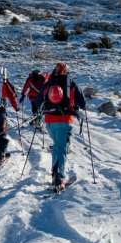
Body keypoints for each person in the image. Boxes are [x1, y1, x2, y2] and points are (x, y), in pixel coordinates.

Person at [41, 62, 86, 191]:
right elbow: (82, 102)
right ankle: (59, 177)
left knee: (57, 145)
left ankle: (55, 173)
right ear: (66, 71)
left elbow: (39, 100)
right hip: (64, 120)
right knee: (61, 148)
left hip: (49, 121)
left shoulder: (49, 82)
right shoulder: (70, 82)